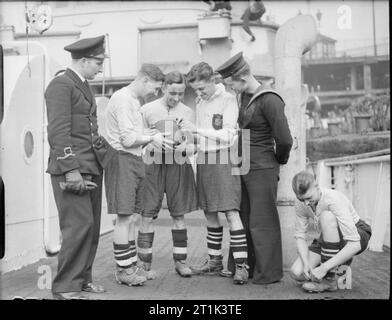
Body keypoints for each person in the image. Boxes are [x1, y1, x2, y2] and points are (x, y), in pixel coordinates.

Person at [45, 35, 113, 300]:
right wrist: (71, 169)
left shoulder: (81, 84)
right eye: (97, 62)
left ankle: (83, 280)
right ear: (83, 60)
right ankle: (65, 287)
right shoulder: (61, 85)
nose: (100, 67)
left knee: (91, 227)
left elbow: (90, 130)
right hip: (72, 168)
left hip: (91, 166)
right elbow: (59, 133)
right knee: (77, 227)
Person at [216, 52, 293, 284]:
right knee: (245, 218)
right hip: (244, 164)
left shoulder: (270, 99)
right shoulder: (244, 97)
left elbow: (285, 140)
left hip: (262, 167)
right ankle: (245, 267)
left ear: (242, 77)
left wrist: (277, 161)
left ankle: (267, 273)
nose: (231, 90)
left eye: (232, 85)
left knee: (263, 220)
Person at [180, 62, 249, 285]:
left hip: (224, 159)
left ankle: (241, 266)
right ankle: (215, 261)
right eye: (195, 90)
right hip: (204, 160)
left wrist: (196, 130)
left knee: (231, 212)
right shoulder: (201, 102)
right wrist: (187, 143)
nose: (198, 94)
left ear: (213, 81)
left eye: (202, 88)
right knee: (209, 212)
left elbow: (229, 135)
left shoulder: (228, 100)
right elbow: (201, 138)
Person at [103, 64, 171, 287]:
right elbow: (128, 139)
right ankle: (123, 270)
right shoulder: (123, 98)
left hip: (133, 160)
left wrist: (151, 133)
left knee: (131, 217)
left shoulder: (133, 100)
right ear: (144, 80)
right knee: (124, 218)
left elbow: (135, 134)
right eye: (155, 87)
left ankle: (131, 265)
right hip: (122, 159)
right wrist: (153, 138)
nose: (154, 93)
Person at [138, 71, 198, 278]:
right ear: (163, 87)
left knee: (178, 215)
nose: (176, 98)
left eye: (181, 93)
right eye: (172, 92)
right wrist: (151, 138)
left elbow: (193, 146)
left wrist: (185, 145)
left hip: (177, 164)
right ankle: (144, 265)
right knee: (146, 215)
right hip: (152, 164)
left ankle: (180, 262)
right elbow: (136, 139)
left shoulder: (188, 112)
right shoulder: (146, 110)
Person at [290, 171, 372, 293]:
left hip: (356, 233)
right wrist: (307, 264)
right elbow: (300, 237)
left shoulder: (332, 199)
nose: (306, 203)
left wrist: (324, 268)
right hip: (328, 236)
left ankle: (329, 280)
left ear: (317, 186)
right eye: (301, 199)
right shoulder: (301, 202)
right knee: (297, 272)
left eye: (308, 198)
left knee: (326, 216)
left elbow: (354, 243)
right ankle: (335, 264)